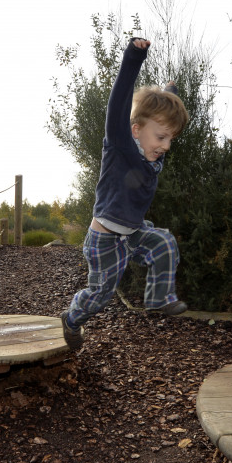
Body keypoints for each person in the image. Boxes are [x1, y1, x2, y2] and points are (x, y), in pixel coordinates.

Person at [61, 37, 190, 351]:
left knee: (164, 243)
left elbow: (157, 113)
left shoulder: (151, 153)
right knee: (100, 296)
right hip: (105, 241)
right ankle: (72, 319)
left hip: (132, 232)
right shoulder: (120, 145)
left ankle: (159, 298)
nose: (165, 146)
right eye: (161, 137)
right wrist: (134, 57)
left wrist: (168, 93)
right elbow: (118, 102)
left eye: (170, 139)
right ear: (135, 130)